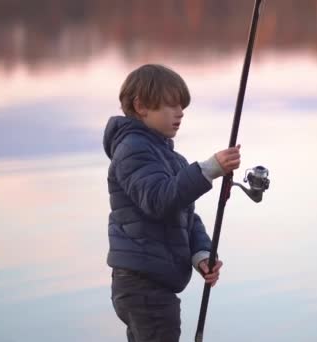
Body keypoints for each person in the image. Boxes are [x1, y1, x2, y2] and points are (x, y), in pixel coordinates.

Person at [103, 64, 241, 342]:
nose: (179, 113)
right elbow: (158, 199)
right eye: (171, 105)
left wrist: (201, 255)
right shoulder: (132, 149)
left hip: (154, 284)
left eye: (182, 107)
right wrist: (209, 168)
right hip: (142, 284)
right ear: (141, 106)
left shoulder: (169, 158)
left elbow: (186, 215)